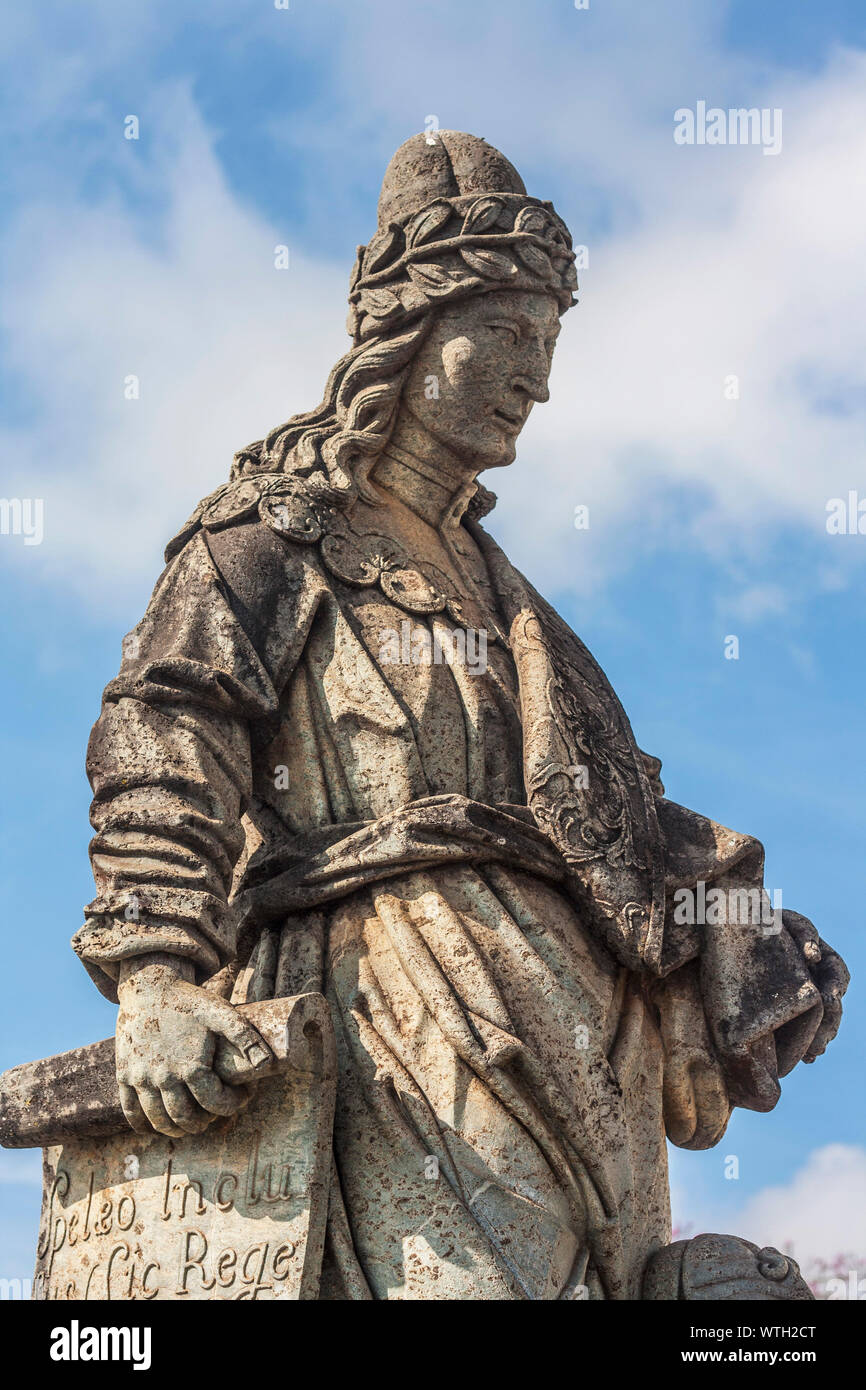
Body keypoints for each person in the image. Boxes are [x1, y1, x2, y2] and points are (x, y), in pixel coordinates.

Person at [73, 132, 847, 1300]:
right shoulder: (270, 538)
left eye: (549, 343)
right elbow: (165, 731)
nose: (538, 377)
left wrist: (730, 917)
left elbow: (610, 821)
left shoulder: (516, 603)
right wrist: (155, 976)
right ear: (416, 329)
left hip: (585, 1047)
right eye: (513, 336)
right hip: (394, 1012)